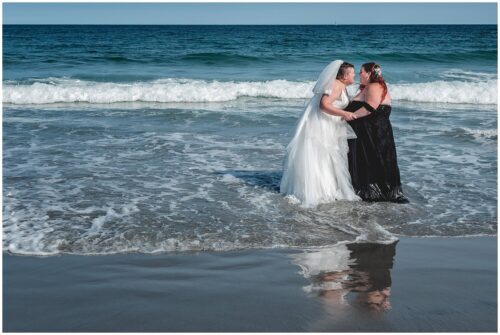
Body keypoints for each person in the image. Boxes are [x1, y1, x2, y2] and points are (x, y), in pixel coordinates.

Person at [280, 60, 361, 207]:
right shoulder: (336, 85)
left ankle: (326, 188)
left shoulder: (341, 86)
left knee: (328, 156)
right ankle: (320, 190)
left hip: (330, 124)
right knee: (322, 155)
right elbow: (324, 105)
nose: (354, 75)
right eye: (352, 73)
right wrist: (344, 113)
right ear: (344, 76)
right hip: (323, 124)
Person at [346, 63, 409, 203]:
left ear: (369, 73)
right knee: (373, 159)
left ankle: (380, 192)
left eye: (361, 72)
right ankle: (374, 191)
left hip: (374, 132)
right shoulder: (367, 87)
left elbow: (370, 107)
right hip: (370, 131)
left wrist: (349, 115)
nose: (359, 74)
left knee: (376, 159)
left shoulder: (373, 86)